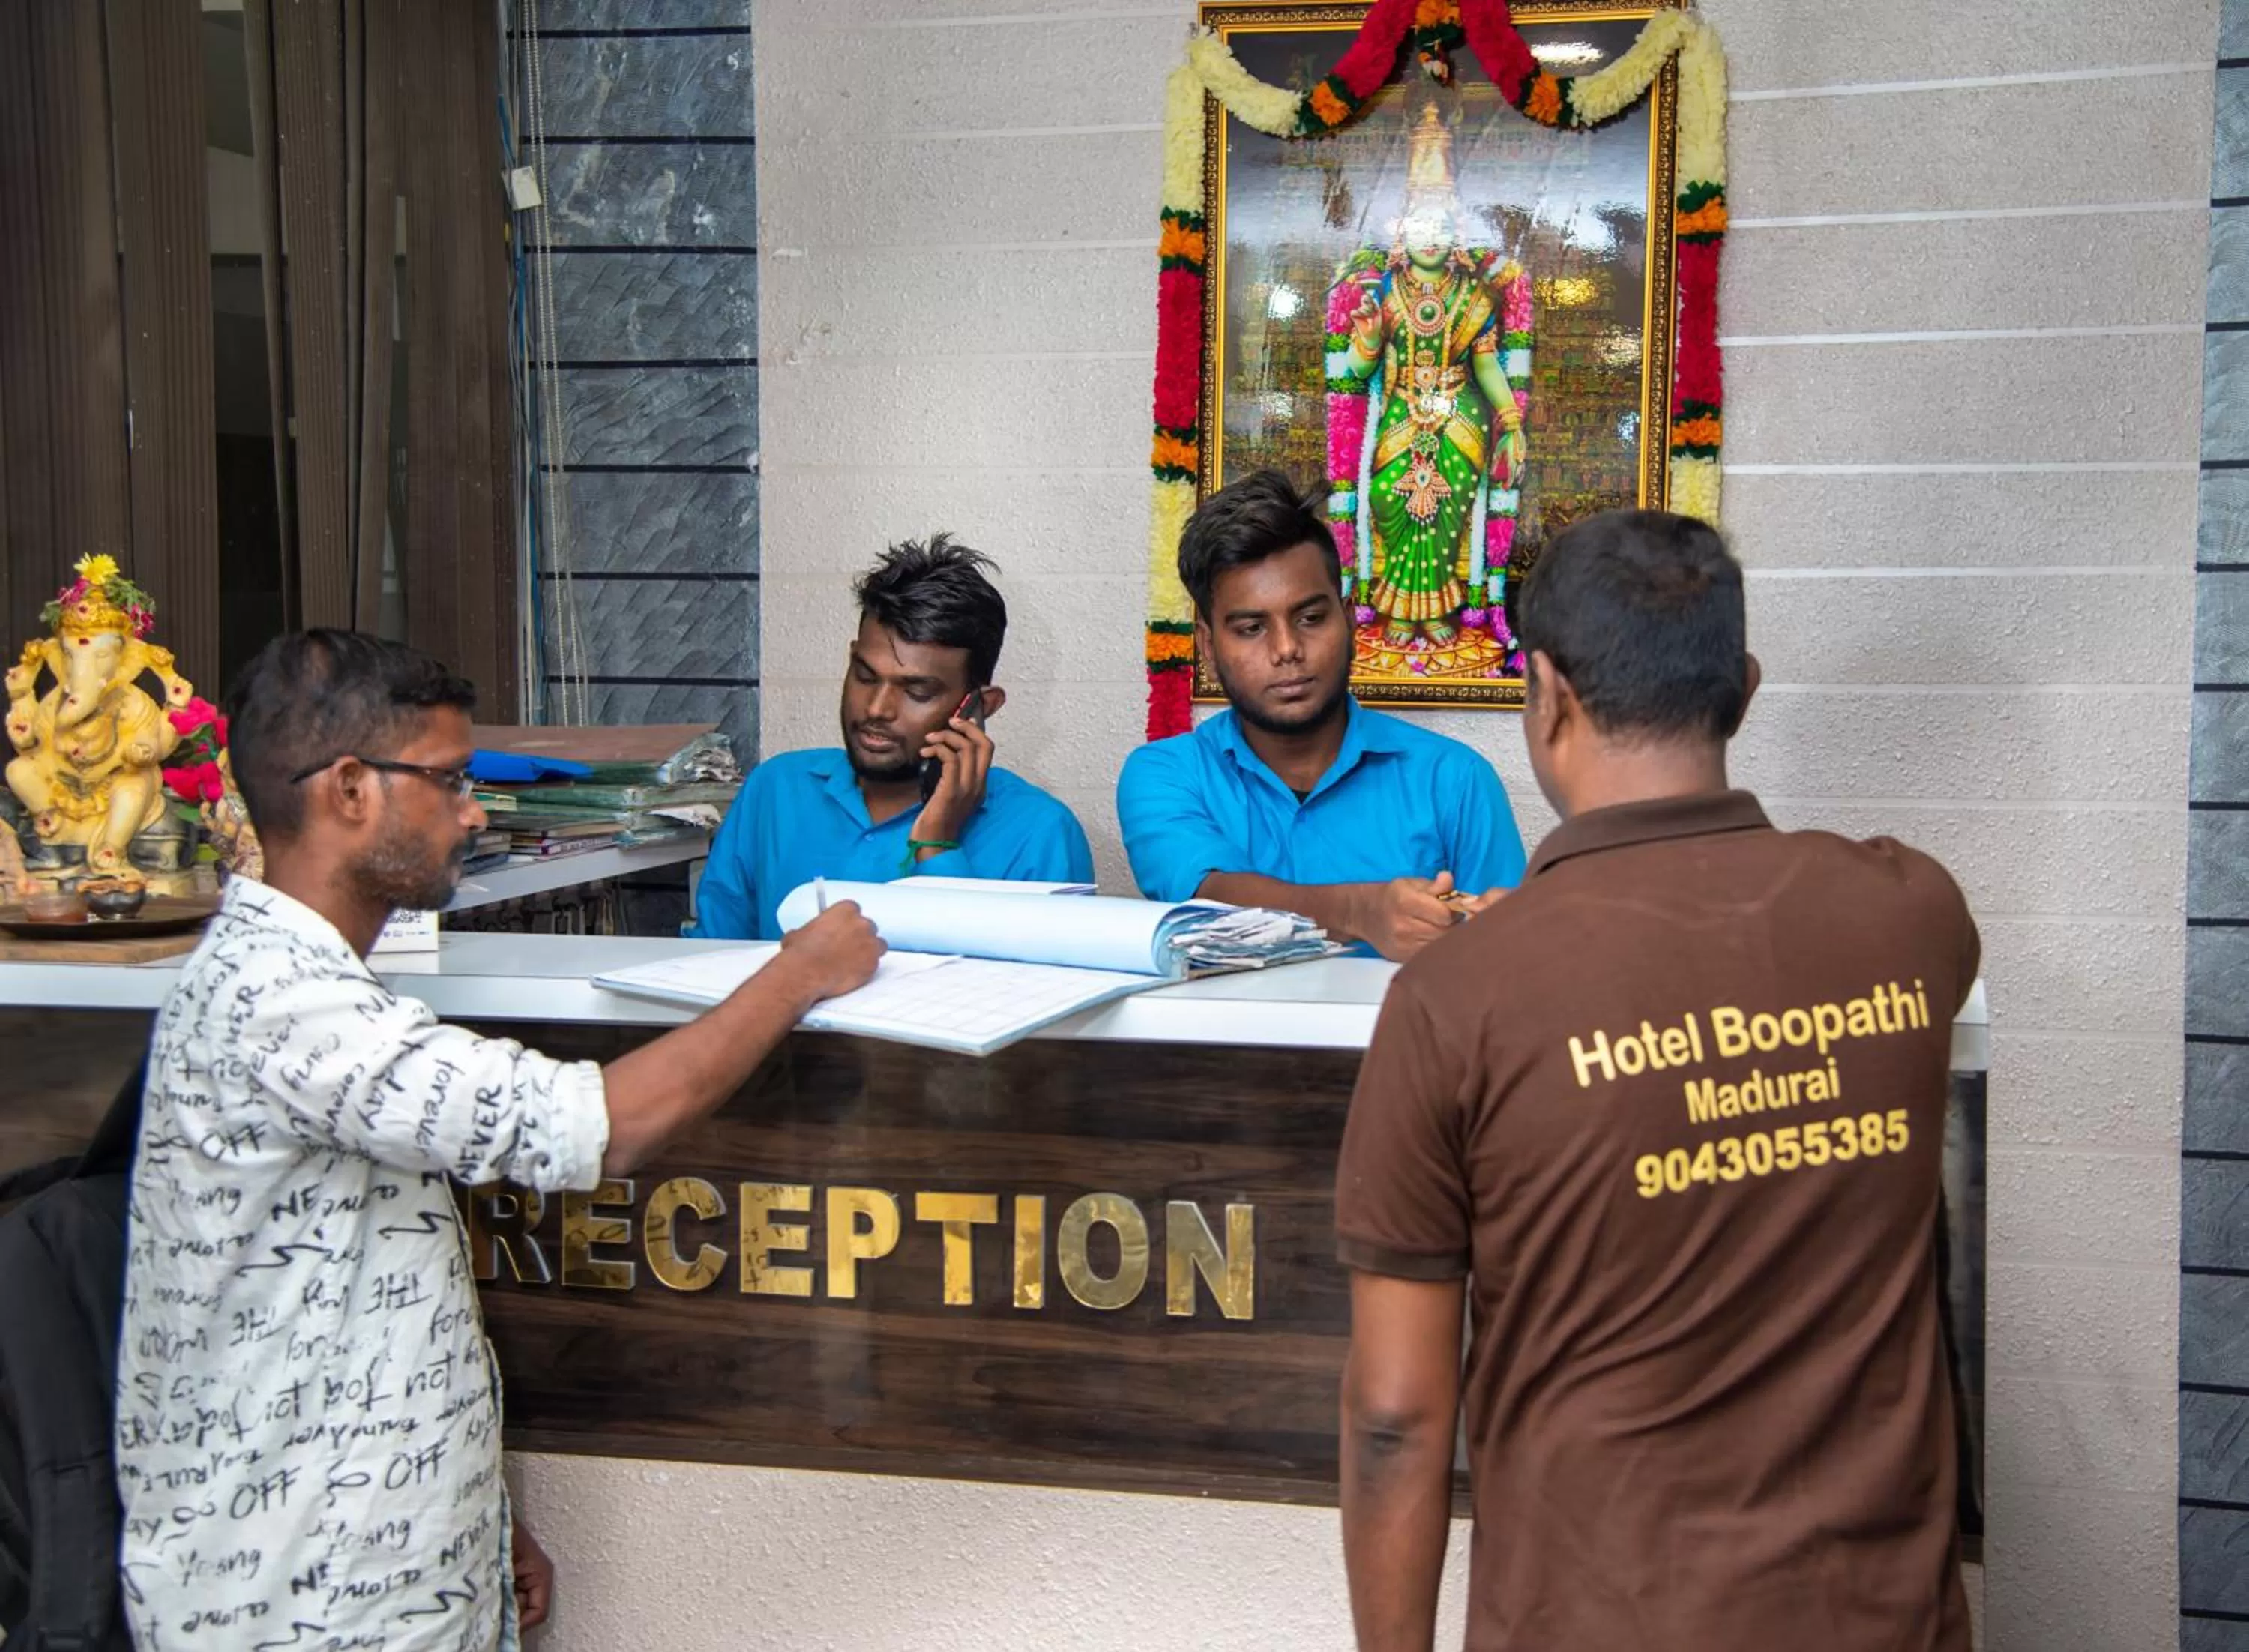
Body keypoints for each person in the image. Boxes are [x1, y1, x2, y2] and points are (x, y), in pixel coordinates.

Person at [115, 630, 882, 1652]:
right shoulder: (284, 1007)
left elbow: (358, 1291)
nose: (474, 811)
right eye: (447, 779)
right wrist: (798, 974)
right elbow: (600, 1127)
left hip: (393, 1577)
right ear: (350, 790)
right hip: (297, 1608)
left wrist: (477, 1523)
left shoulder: (308, 983)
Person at [1334, 510, 1978, 1651]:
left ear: (1546, 698)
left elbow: (1396, 1418)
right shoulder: (1911, 911)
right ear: (1742, 686)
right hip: (1884, 1622)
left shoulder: (1456, 999)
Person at [1116, 469, 1525, 962]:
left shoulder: (1455, 779)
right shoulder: (1167, 775)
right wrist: (1361, 910)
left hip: (1402, 1040)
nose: (1287, 649)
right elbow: (1206, 905)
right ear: (1207, 644)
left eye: (1311, 619)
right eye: (1251, 628)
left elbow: (1506, 962)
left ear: (1349, 619)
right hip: (1226, 1042)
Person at [693, 534, 1094, 939]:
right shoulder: (775, 789)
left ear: (978, 708)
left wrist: (939, 845)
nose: (876, 709)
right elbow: (709, 961)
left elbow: (1026, 996)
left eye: (917, 691)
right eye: (865, 676)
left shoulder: (1039, 832)